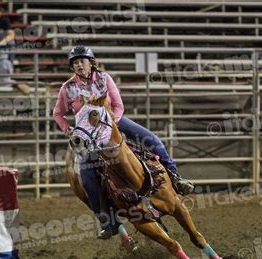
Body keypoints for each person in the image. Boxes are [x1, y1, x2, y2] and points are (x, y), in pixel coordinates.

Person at [53, 45, 194, 239]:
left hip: (113, 123)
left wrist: (113, 125)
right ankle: (108, 223)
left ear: (90, 63)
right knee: (87, 177)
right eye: (75, 63)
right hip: (88, 135)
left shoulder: (104, 78)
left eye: (82, 61)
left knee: (153, 141)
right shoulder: (67, 88)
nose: (79, 65)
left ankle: (176, 179)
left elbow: (118, 105)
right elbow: (58, 113)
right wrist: (68, 129)